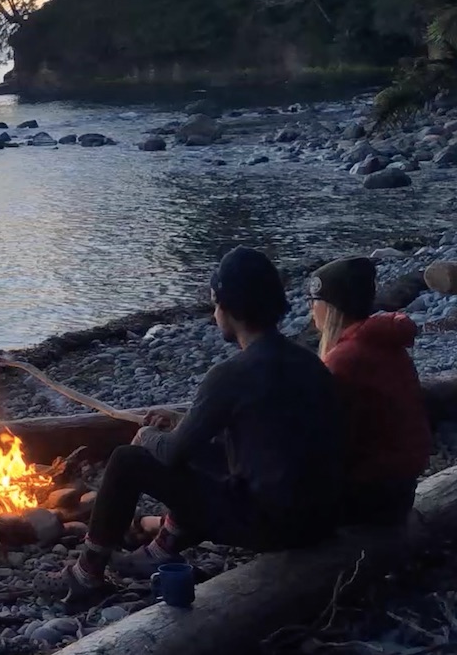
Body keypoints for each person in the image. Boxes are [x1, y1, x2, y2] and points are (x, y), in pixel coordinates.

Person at [40, 247, 346, 611]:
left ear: (229, 308)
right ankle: (161, 549)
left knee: (128, 460)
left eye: (215, 303)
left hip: (272, 527)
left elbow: (172, 453)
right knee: (199, 453)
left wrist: (148, 436)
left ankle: (86, 575)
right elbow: (262, 438)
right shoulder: (309, 363)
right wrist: (183, 425)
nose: (214, 312)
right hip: (322, 518)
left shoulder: (232, 375)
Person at [309, 256, 431, 524]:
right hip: (402, 484)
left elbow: (332, 438)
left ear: (331, 308)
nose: (310, 310)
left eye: (315, 301)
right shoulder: (386, 344)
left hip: (372, 493)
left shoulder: (344, 358)